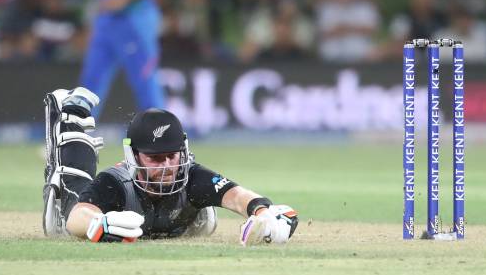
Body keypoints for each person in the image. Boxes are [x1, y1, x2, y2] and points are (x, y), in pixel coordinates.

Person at [42, 88, 299, 244]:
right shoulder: (115, 182)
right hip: (83, 204)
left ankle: (193, 213)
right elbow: (78, 215)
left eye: (171, 156)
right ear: (135, 156)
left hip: (172, 219)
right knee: (71, 192)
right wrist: (99, 224)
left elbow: (237, 196)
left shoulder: (192, 177)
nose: (166, 166)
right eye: (155, 158)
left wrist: (262, 213)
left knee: (207, 220)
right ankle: (70, 117)